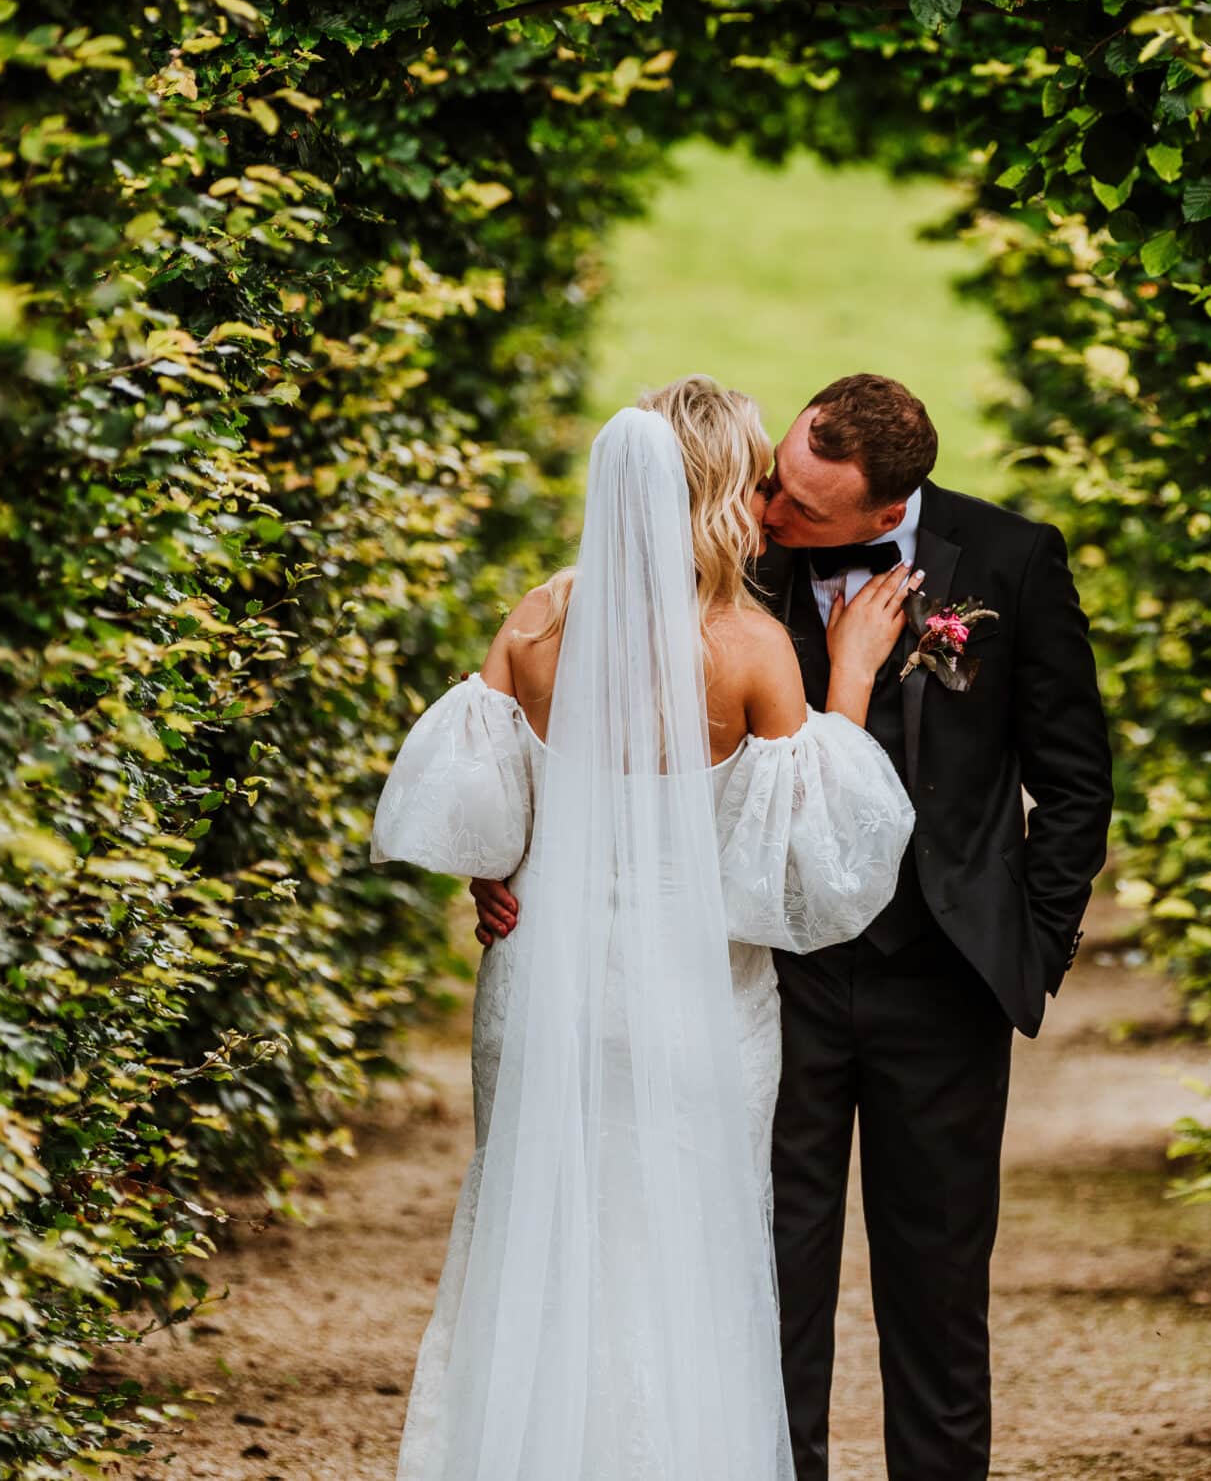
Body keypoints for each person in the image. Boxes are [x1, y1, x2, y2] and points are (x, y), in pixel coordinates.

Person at [368, 375, 916, 1481]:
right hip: (693, 999)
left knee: (531, 1234)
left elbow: (480, 815)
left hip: (542, 984)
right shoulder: (747, 646)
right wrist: (848, 678)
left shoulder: (533, 623)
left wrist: (497, 880)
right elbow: (812, 849)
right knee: (682, 1255)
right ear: (715, 494)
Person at [751, 373, 1112, 1481]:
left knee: (940, 1289)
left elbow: (1075, 779)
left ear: (886, 511)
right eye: (774, 482)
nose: (772, 515)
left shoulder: (1009, 559)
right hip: (777, 972)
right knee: (769, 1281)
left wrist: (1028, 948)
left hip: (943, 982)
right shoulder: (737, 553)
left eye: (805, 512)